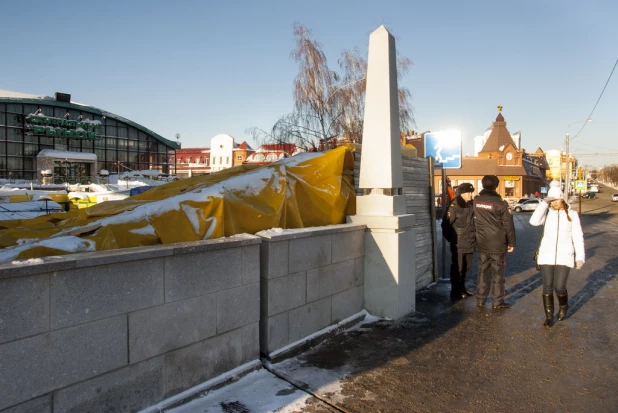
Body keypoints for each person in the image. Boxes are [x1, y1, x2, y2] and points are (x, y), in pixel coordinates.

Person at [529, 181, 585, 327]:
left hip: (565, 255)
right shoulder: (546, 213)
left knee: (559, 287)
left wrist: (580, 257)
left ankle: (563, 306)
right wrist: (544, 203)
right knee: (547, 287)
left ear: (562, 199)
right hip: (546, 255)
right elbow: (533, 221)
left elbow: (578, 236)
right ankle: (549, 317)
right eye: (551, 200)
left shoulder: (572, 214)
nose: (554, 203)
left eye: (556, 199)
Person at [473, 175, 516, 310]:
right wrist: (512, 243)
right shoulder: (501, 204)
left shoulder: (476, 201)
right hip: (498, 243)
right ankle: (497, 302)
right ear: (496, 186)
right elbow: (508, 225)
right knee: (498, 273)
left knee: (482, 271)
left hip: (482, 242)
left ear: (483, 185)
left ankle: (480, 299)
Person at [444, 182, 476, 300]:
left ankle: (462, 287)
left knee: (467, 267)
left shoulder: (471, 205)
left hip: (470, 243)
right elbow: (445, 225)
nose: (471, 195)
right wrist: (453, 239)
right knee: (457, 267)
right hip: (458, 244)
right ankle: (455, 291)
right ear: (462, 193)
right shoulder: (454, 207)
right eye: (469, 193)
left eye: (472, 193)